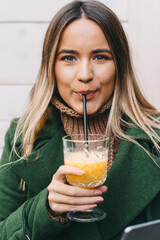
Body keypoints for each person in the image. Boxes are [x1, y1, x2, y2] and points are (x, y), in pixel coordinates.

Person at [0, 1, 160, 239]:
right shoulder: (24, 136)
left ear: (120, 64)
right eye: (68, 58)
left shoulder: (155, 137)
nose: (85, 75)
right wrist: (46, 208)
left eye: (100, 57)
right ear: (51, 66)